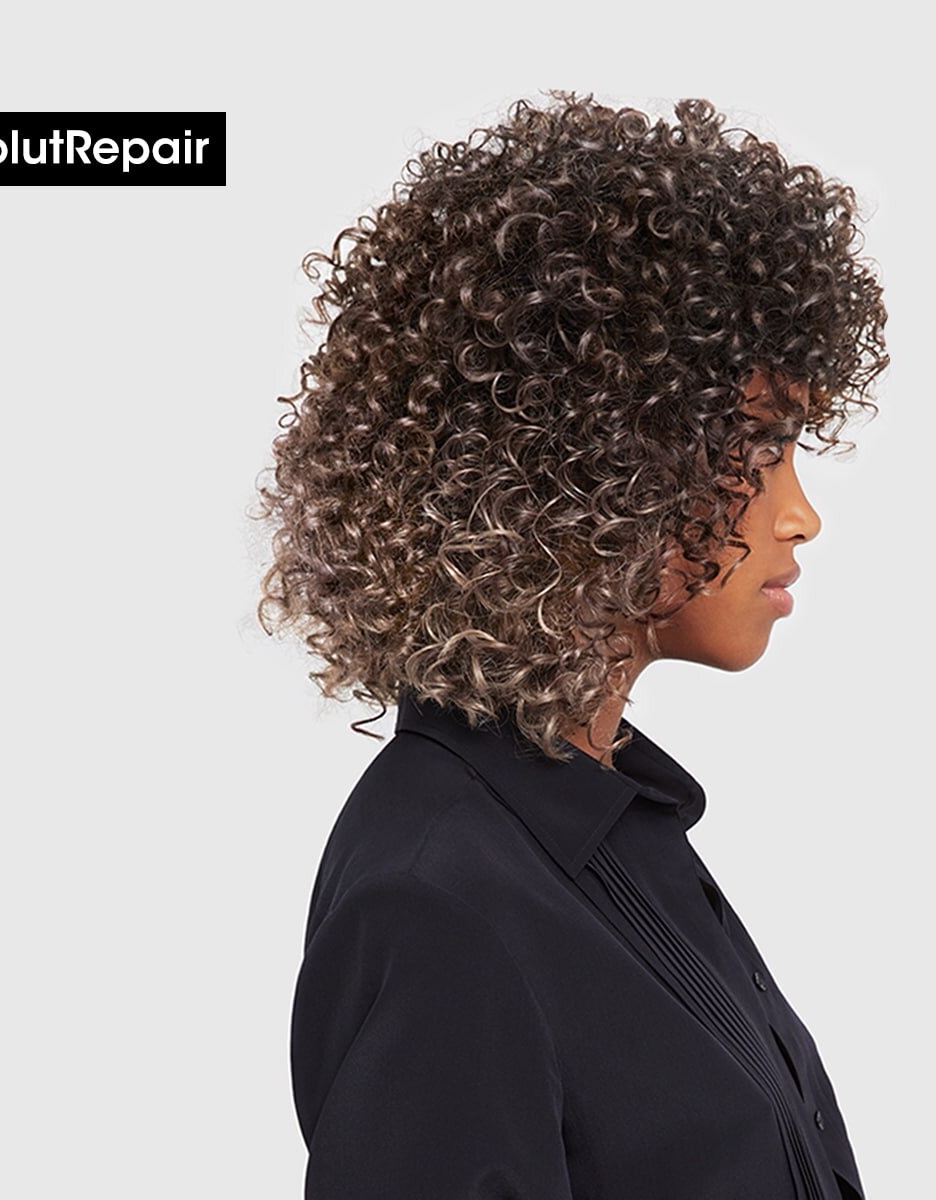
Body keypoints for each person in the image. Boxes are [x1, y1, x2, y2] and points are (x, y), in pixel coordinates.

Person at [253, 91, 888, 1199]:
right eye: (758, 448)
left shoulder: (611, 831)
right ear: (592, 460)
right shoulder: (441, 903)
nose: (800, 514)